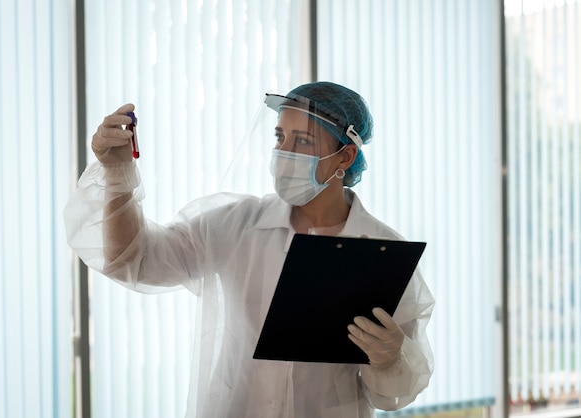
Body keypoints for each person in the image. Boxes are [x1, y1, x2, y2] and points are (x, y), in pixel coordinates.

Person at [64, 81, 434, 417]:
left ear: (344, 157)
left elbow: (391, 396)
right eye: (279, 137)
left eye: (302, 141)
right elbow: (134, 258)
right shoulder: (235, 225)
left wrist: (391, 360)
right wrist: (116, 175)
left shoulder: (383, 253)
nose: (284, 152)